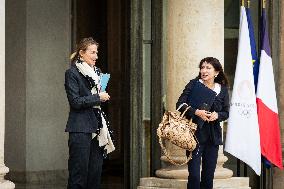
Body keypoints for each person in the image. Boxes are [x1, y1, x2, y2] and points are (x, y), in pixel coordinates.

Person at [64, 37, 114, 189]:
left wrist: (101, 95)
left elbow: (95, 98)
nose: (96, 56)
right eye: (92, 52)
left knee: (95, 176)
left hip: (98, 128)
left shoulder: (97, 72)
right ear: (81, 53)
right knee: (78, 176)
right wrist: (97, 97)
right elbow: (76, 102)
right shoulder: (72, 73)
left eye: (96, 52)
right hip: (80, 128)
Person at [176, 57, 229, 189]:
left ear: (216, 72)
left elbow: (226, 112)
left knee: (208, 175)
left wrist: (217, 115)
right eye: (202, 67)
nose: (204, 70)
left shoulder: (222, 89)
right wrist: (196, 112)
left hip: (213, 137)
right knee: (194, 175)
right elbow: (180, 105)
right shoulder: (194, 84)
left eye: (208, 68)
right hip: (194, 135)